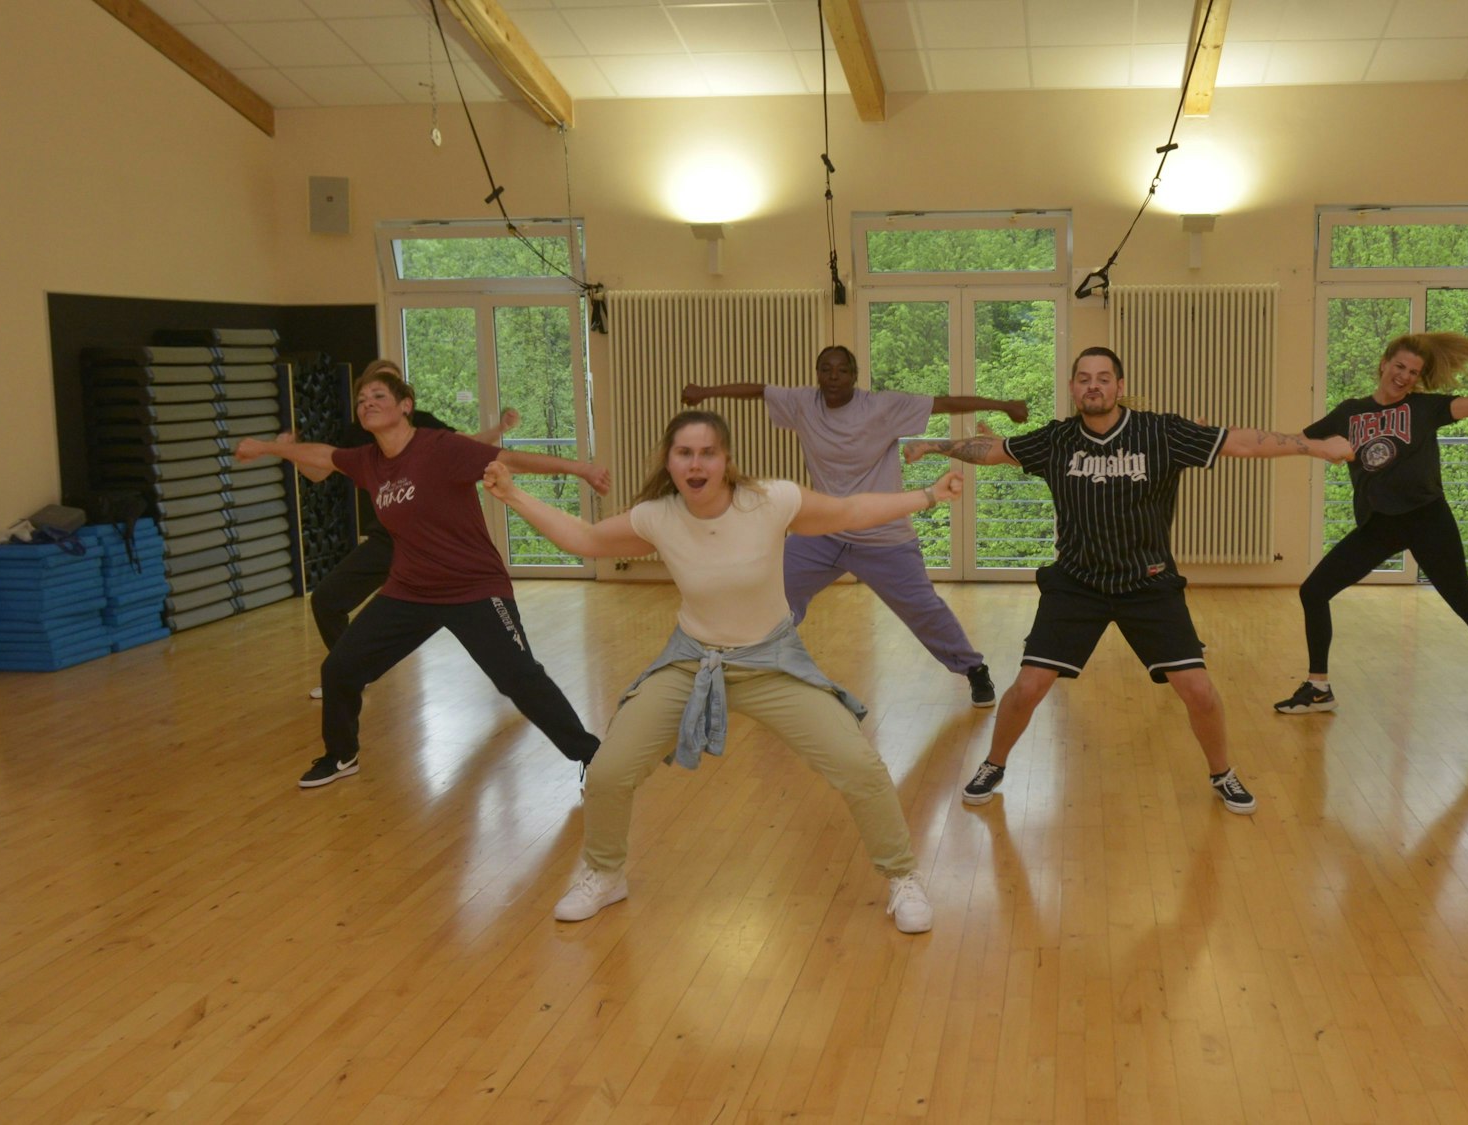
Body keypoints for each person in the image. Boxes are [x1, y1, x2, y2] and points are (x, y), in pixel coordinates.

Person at [487, 409, 958, 932]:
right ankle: (605, 874)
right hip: (692, 661)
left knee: (860, 767)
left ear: (726, 459)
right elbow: (587, 540)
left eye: (707, 452)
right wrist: (512, 495)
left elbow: (848, 510)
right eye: (684, 453)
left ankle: (903, 878)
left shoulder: (771, 501)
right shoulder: (657, 516)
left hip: (770, 662)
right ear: (669, 462)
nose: (696, 463)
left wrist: (929, 495)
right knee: (608, 771)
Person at [905, 346, 1353, 814]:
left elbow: (1241, 442)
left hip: (1149, 583)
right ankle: (994, 763)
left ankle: (1222, 772)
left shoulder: (1161, 432)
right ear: (1073, 387)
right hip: (1077, 583)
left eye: (1103, 377)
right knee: (1029, 687)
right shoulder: (1056, 440)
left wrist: (1316, 447)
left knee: (1198, 691)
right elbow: (994, 451)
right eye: (1083, 378)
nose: (1092, 385)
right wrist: (935, 444)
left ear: (1119, 386)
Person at [234, 365, 610, 788]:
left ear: (405, 406)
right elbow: (322, 456)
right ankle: (341, 756)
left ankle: (592, 755)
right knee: (340, 667)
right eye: (361, 400)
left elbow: (510, 459)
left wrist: (580, 469)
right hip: (411, 591)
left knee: (519, 679)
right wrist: (269, 448)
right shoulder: (367, 461)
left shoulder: (440, 448)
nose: (367, 404)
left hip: (472, 588)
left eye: (378, 396)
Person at [682, 345, 1028, 708]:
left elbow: (945, 403)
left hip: (883, 537)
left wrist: (1003, 404)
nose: (833, 377)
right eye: (825, 370)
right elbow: (758, 390)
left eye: (841, 371)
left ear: (854, 375)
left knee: (923, 609)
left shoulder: (882, 407)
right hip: (824, 532)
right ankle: (754, 665)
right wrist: (705, 392)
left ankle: (973, 668)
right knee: (773, 592)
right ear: (817, 374)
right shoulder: (802, 403)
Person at [1274, 332, 1468, 719]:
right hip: (1380, 525)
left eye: (1414, 372)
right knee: (1314, 591)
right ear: (1383, 364)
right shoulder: (1350, 412)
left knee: (1463, 601)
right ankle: (1319, 688)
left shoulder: (1425, 408)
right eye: (1400, 367)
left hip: (1428, 519)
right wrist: (1224, 442)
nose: (1405, 376)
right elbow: (1296, 441)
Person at [288, 360, 608, 699]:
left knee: (496, 650)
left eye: (383, 391)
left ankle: (522, 678)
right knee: (326, 599)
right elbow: (319, 471)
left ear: (404, 400)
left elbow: (470, 447)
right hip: (389, 541)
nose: (373, 401)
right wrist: (291, 451)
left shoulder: (425, 428)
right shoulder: (360, 434)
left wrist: (500, 430)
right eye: (367, 394)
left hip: (437, 550)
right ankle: (352, 672)